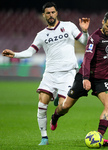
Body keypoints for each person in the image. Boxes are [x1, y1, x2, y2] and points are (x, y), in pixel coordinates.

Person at [50, 10, 108, 147]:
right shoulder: (94, 38)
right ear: (103, 22)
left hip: (102, 80)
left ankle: (99, 137)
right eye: (107, 26)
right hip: (85, 76)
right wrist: (85, 78)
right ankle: (55, 117)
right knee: (65, 107)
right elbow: (87, 59)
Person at [2, 2, 90, 145]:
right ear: (44, 15)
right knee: (41, 104)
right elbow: (30, 52)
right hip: (50, 74)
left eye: (53, 12)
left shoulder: (69, 26)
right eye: (47, 13)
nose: (50, 15)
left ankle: (55, 117)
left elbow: (84, 42)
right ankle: (44, 138)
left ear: (57, 13)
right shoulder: (41, 35)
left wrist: (85, 31)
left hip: (68, 73)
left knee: (65, 107)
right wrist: (15, 54)